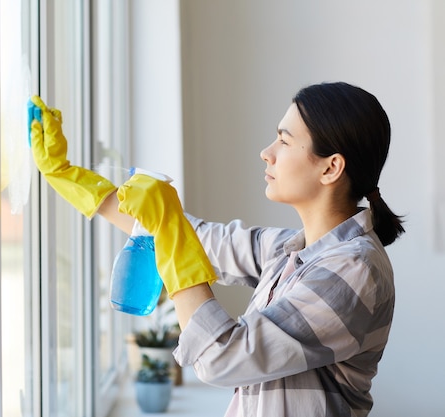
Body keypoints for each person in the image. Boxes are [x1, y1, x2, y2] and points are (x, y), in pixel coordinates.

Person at [29, 81, 405, 417]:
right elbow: (198, 239)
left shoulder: (353, 271)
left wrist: (170, 226)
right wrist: (65, 174)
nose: (266, 152)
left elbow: (222, 356)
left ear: (330, 168)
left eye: (285, 141)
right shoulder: (294, 250)